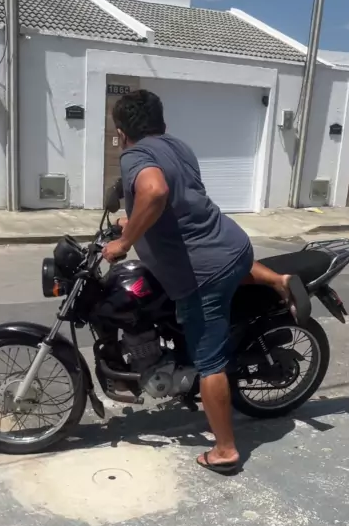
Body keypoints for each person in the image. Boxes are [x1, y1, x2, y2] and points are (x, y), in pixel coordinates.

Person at [102, 90, 297, 472]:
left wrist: (124, 243)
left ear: (121, 132)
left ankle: (225, 450)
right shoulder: (178, 146)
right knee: (224, 270)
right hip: (233, 245)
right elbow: (179, 203)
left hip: (204, 272)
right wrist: (130, 222)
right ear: (162, 122)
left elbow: (155, 191)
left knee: (210, 363)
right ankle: (278, 280)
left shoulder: (135, 155)